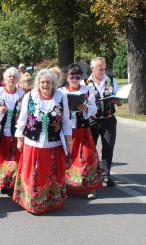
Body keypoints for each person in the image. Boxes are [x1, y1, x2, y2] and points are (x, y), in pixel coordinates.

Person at [14, 68, 72, 215]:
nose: (45, 85)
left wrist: (69, 142)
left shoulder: (61, 97)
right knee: (34, 174)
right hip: (32, 143)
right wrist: (19, 139)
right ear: (38, 83)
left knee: (51, 174)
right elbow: (22, 119)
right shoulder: (29, 96)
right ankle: (33, 203)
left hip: (53, 143)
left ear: (53, 83)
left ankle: (51, 202)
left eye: (48, 82)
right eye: (42, 82)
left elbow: (66, 122)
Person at [60, 63, 101, 199]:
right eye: (72, 77)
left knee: (88, 157)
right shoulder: (61, 92)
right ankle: (67, 186)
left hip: (82, 129)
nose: (75, 80)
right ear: (67, 77)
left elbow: (94, 109)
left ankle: (91, 187)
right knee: (67, 158)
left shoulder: (86, 90)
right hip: (66, 132)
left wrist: (86, 107)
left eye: (77, 77)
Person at [85, 57, 122, 187]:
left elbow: (120, 100)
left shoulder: (110, 80)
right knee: (90, 148)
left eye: (104, 68)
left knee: (108, 147)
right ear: (93, 69)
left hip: (108, 119)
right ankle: (92, 174)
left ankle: (106, 175)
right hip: (92, 120)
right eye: (100, 68)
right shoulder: (85, 82)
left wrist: (117, 100)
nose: (103, 71)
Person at [0, 67, 24, 194]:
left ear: (17, 79)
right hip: (1, 131)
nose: (12, 79)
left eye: (14, 76)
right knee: (2, 157)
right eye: (9, 76)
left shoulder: (22, 94)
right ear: (5, 78)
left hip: (15, 131)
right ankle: (2, 183)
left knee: (14, 157)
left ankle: (12, 183)